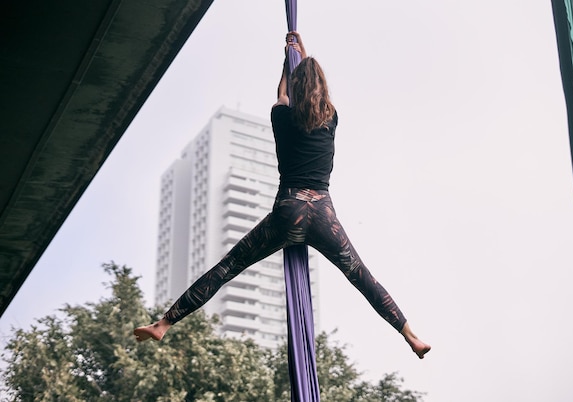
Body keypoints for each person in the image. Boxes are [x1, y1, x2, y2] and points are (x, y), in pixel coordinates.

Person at [134, 32, 431, 359]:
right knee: (361, 275)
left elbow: (282, 93)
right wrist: (302, 57)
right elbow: (306, 96)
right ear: (323, 89)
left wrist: (290, 58)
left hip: (288, 211)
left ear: (295, 85)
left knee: (230, 265)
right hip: (322, 215)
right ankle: (410, 335)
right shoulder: (332, 119)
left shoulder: (280, 117)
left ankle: (163, 324)